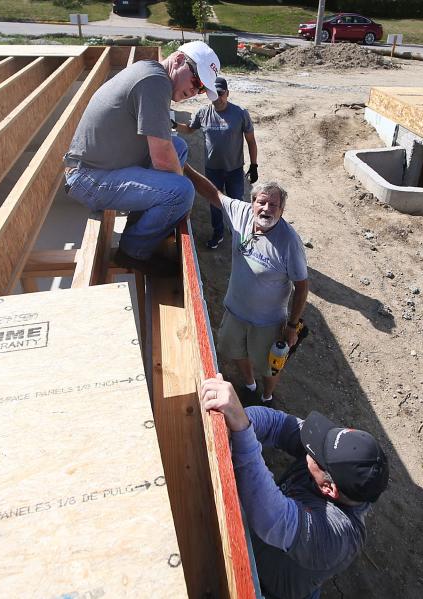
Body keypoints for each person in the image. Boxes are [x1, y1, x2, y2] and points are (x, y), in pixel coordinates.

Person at [200, 374, 390, 599]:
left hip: (266, 589)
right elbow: (279, 424)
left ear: (328, 488)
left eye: (317, 455)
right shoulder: (328, 456)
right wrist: (239, 421)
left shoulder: (338, 538)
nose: (310, 446)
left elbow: (273, 518)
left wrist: (242, 429)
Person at [63, 41, 221, 273]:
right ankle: (133, 252)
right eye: (196, 81)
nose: (194, 92)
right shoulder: (155, 82)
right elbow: (162, 160)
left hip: (99, 168)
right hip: (89, 179)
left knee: (177, 146)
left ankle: (145, 224)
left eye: (201, 90)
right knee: (181, 191)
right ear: (178, 61)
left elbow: (167, 150)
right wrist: (181, 201)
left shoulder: (152, 74)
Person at [184, 165, 308, 403]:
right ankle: (250, 386)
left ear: (282, 210)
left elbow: (302, 286)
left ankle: (267, 396)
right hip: (235, 311)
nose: (266, 209)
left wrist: (292, 326)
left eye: (274, 205)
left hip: (268, 323)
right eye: (262, 202)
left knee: (269, 367)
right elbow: (213, 194)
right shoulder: (241, 213)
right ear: (252, 203)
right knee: (235, 351)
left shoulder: (289, 242)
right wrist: (184, 167)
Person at [175, 76, 258, 249]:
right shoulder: (203, 113)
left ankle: (240, 236)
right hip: (213, 170)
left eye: (221, 93)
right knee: (215, 204)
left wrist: (254, 165)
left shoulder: (240, 113)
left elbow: (250, 140)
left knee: (237, 204)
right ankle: (218, 233)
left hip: (235, 170)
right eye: (213, 94)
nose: (218, 98)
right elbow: (190, 129)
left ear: (227, 93)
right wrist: (174, 125)